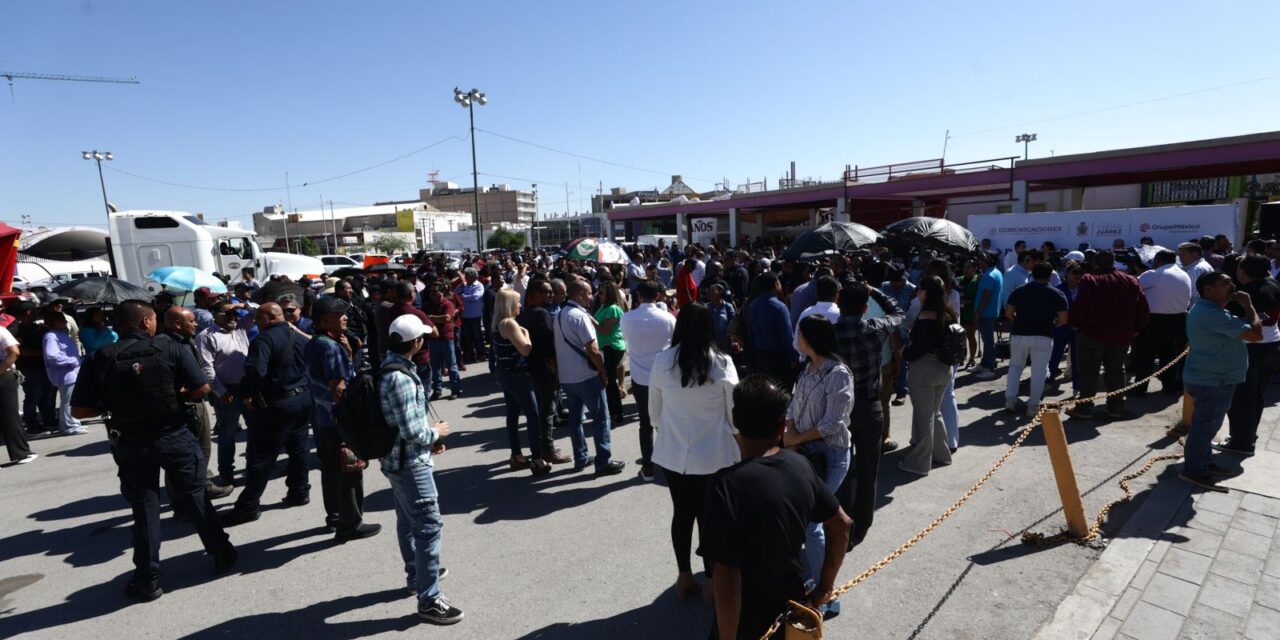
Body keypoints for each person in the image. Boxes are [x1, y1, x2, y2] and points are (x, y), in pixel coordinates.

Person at [70, 300, 237, 601]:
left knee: (145, 509)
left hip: (132, 443)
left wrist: (111, 405)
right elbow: (202, 388)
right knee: (197, 497)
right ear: (147, 322)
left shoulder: (101, 357)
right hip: (174, 435)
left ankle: (147, 579)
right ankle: (222, 553)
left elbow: (80, 410)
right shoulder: (170, 348)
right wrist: (176, 395)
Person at [702, 374, 852, 640]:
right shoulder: (801, 467)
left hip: (745, 619)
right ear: (783, 425)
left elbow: (726, 577)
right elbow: (841, 524)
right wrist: (824, 587)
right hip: (791, 609)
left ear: (735, 421)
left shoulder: (725, 485)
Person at [649, 303, 739, 600]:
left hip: (674, 453)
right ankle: (712, 580)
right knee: (709, 516)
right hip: (714, 453)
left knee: (682, 513)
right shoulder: (722, 363)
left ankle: (684, 576)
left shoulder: (662, 361)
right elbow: (733, 415)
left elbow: (654, 414)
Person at [378, 314, 464, 624]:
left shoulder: (389, 367)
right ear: (415, 342)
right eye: (422, 337)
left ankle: (416, 575)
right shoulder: (400, 377)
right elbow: (414, 431)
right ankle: (429, 599)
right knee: (428, 526)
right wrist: (436, 433)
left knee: (407, 520)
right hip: (410, 464)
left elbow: (406, 426)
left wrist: (429, 439)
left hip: (397, 460)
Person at [784, 316, 853, 614]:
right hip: (803, 452)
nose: (796, 337)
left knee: (814, 524)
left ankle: (826, 592)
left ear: (810, 339)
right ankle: (814, 577)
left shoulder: (837, 373)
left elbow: (832, 423)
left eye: (799, 333)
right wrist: (789, 432)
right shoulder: (807, 367)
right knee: (807, 522)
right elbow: (794, 403)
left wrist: (796, 436)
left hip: (829, 457)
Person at [222, 302, 314, 525]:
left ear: (266, 319)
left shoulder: (264, 339)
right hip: (302, 398)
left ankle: (248, 506)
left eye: (257, 318)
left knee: (261, 456)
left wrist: (246, 394)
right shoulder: (299, 336)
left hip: (278, 403)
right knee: (298, 448)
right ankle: (300, 491)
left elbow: (255, 372)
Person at [833, 282, 903, 547]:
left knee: (841, 466)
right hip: (869, 405)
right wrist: (875, 291)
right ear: (864, 308)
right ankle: (860, 526)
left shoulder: (830, 334)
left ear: (839, 302)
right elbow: (898, 313)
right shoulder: (875, 329)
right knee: (867, 468)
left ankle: (841, 521)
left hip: (840, 407)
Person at [306, 296, 381, 541]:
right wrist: (353, 422)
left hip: (323, 419)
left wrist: (347, 352)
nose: (345, 316)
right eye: (340, 314)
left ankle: (336, 516)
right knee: (349, 470)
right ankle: (350, 524)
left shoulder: (317, 342)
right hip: (339, 421)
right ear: (325, 320)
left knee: (330, 470)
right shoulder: (329, 346)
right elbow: (338, 388)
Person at [1180, 272, 1262, 492]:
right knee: (1204, 427)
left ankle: (1202, 461)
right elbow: (1256, 335)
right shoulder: (1212, 314)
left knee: (1207, 426)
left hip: (1211, 377)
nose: (1232, 286)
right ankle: (1194, 470)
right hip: (1212, 380)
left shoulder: (1211, 311)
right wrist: (1249, 307)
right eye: (1225, 283)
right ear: (1208, 289)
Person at [1066, 251, 1150, 421]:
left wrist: (1074, 323)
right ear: (1113, 263)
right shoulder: (1130, 280)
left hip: (1092, 333)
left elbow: (1082, 305)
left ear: (1095, 263)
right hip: (1121, 334)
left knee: (1089, 372)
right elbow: (1143, 307)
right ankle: (1116, 407)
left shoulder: (1089, 279)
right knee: (1116, 370)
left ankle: (1084, 408)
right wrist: (1136, 328)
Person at [554, 278, 625, 475]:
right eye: (589, 293)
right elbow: (592, 349)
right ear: (579, 295)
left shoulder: (560, 314)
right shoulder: (579, 316)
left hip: (568, 378)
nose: (592, 296)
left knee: (575, 420)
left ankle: (581, 457)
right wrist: (603, 371)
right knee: (601, 418)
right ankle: (603, 461)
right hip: (586, 376)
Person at [1218, 255, 1280, 456]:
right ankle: (1248, 434)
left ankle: (1241, 442)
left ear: (1242, 272)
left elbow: (1233, 320)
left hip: (1251, 348)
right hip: (1271, 345)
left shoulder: (1247, 295)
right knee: (1256, 394)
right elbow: (1269, 316)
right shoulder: (1273, 283)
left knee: (1241, 397)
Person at [897, 276, 956, 476]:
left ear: (927, 292)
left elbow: (918, 349)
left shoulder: (925, 317)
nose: (917, 292)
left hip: (923, 371)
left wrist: (904, 352)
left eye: (920, 289)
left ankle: (919, 463)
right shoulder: (947, 314)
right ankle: (942, 455)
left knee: (924, 418)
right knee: (934, 413)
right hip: (944, 370)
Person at [620, 279, 677, 481]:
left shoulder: (627, 318)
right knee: (667, 421)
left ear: (639, 296)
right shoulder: (669, 318)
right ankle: (671, 463)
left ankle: (648, 467)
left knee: (645, 422)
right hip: (665, 375)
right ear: (658, 296)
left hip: (641, 377)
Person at [492, 289, 551, 474]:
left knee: (513, 413)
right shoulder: (510, 324)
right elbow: (526, 349)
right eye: (517, 302)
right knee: (533, 415)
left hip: (505, 373)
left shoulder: (497, 323)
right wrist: (525, 332)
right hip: (517, 376)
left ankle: (516, 455)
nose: (520, 305)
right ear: (509, 305)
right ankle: (537, 458)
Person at [1003, 263, 1069, 417]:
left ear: (1032, 273)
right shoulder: (1057, 293)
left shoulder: (1019, 291)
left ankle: (1010, 400)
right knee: (1039, 371)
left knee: (1015, 367)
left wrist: (1018, 322)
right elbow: (1063, 320)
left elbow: (1008, 313)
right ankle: (1033, 406)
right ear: (1049, 275)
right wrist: (1052, 325)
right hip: (1043, 335)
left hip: (1019, 334)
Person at [518, 278, 571, 467]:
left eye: (551, 292)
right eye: (546, 292)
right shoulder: (541, 314)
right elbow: (549, 348)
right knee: (547, 412)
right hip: (544, 370)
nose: (550, 295)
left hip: (531, 369)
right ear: (535, 294)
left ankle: (543, 449)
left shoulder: (525, 313)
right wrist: (557, 370)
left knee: (542, 412)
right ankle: (548, 451)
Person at [197, 301, 249, 488]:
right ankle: (227, 473)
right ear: (214, 315)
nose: (232, 317)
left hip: (248, 388)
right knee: (227, 435)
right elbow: (207, 368)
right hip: (227, 391)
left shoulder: (240, 327)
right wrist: (221, 391)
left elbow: (262, 310)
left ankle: (253, 466)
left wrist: (242, 304)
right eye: (227, 313)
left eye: (235, 313)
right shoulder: (206, 336)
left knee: (256, 429)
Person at [1132, 250, 1192, 397]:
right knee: (1169, 357)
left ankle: (1140, 388)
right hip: (1178, 320)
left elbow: (1132, 287)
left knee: (1145, 357)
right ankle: (1169, 387)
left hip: (1153, 321)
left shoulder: (1152, 274)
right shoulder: (1184, 274)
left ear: (1158, 260)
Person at [746, 273, 798, 386]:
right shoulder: (780, 307)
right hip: (778, 359)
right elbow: (787, 336)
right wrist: (794, 357)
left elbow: (750, 334)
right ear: (776, 285)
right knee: (782, 393)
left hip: (760, 356)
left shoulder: (752, 305)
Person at [13, 301, 56, 435]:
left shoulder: (39, 327)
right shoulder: (16, 329)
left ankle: (49, 420)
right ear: (28, 312)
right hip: (28, 368)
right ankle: (32, 424)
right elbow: (19, 350)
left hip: (43, 366)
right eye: (35, 310)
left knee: (46, 395)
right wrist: (41, 354)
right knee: (33, 396)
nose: (37, 313)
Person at [42, 307, 86, 436]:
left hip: (72, 371)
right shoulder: (51, 336)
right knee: (68, 401)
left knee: (71, 400)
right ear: (53, 322)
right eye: (61, 319)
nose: (65, 321)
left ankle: (72, 423)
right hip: (65, 373)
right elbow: (51, 356)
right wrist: (72, 361)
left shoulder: (62, 334)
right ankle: (69, 426)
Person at [0, 321, 36, 464]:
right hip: (3, 372)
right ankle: (21, 453)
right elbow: (14, 351)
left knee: (9, 415)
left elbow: (14, 352)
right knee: (9, 416)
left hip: (3, 373)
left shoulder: (1, 330)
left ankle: (21, 452)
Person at [594, 279, 629, 423]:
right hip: (606, 346)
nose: (598, 295)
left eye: (601, 293)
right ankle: (615, 410)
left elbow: (605, 330)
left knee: (609, 380)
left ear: (608, 294)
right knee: (609, 380)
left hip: (613, 346)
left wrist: (589, 319)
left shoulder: (613, 309)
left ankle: (616, 412)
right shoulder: (603, 307)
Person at [423, 285, 461, 400]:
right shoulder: (428, 305)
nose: (433, 294)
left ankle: (455, 389)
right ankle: (437, 390)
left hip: (446, 338)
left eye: (435, 291)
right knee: (435, 366)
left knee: (451, 366)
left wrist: (430, 317)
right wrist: (433, 318)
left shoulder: (447, 304)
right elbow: (423, 318)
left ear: (441, 293)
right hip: (433, 339)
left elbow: (447, 318)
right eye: (431, 292)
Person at [1049, 263, 1083, 392]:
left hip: (1077, 329)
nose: (1078, 275)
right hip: (1061, 328)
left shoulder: (1084, 289)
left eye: (1080, 272)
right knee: (1055, 356)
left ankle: (1077, 387)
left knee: (1077, 360)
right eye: (1075, 272)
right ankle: (1048, 381)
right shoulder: (1058, 289)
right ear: (1066, 274)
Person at [973, 252, 1004, 380]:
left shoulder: (990, 275)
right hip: (990, 313)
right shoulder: (995, 272)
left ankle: (989, 368)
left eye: (981, 259)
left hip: (986, 313)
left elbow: (986, 296)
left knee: (988, 341)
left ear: (987, 261)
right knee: (987, 340)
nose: (978, 262)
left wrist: (978, 313)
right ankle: (985, 363)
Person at [455, 268, 486, 363]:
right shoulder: (463, 286)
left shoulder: (479, 285)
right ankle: (471, 355)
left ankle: (481, 354)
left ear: (472, 276)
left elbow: (475, 297)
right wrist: (461, 287)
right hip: (465, 316)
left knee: (477, 336)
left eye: (467, 276)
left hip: (475, 315)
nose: (465, 278)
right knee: (468, 337)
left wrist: (462, 297)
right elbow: (455, 293)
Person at [959, 260, 980, 368]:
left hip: (971, 313)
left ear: (974, 268)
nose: (966, 269)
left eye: (968, 267)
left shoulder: (978, 281)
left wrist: (968, 302)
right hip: (959, 314)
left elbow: (980, 297)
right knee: (959, 337)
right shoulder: (959, 280)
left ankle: (972, 359)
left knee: (971, 336)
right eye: (965, 267)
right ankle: (961, 357)